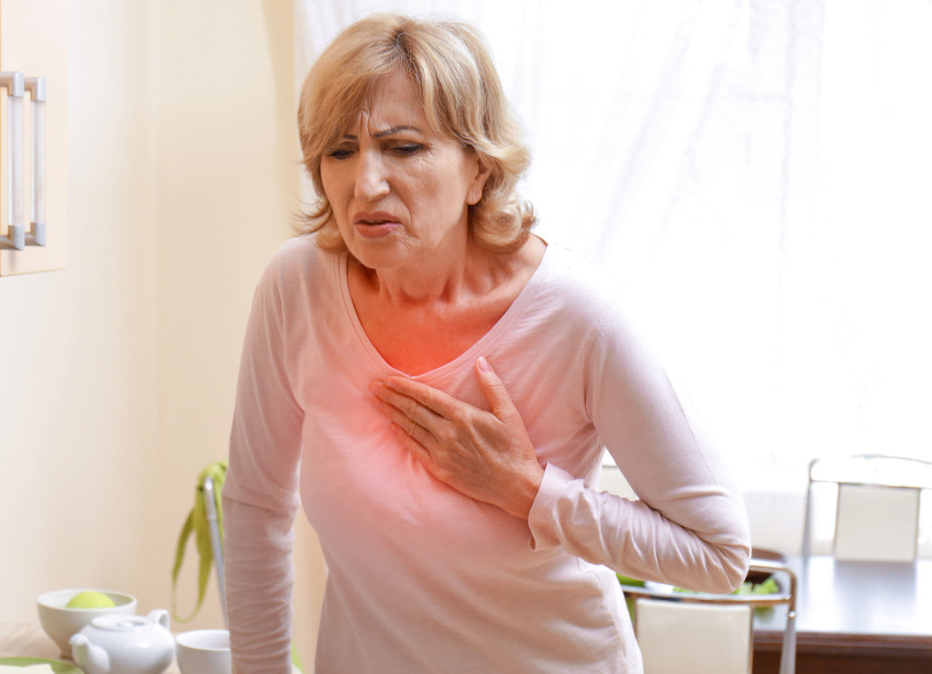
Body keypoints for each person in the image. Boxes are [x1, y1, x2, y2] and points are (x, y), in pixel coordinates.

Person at [221, 13, 751, 673]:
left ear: (479, 168)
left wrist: (527, 491)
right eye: (339, 150)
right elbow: (254, 507)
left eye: (404, 147)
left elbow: (719, 554)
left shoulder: (581, 319)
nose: (366, 183)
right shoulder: (296, 286)